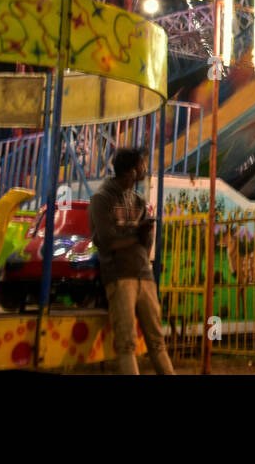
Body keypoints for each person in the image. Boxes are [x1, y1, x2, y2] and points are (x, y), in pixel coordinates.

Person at [89, 147, 175, 375]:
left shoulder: (138, 199)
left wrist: (145, 233)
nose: (145, 169)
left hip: (142, 274)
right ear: (130, 170)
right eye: (142, 164)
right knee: (127, 344)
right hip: (119, 276)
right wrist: (137, 234)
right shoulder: (102, 198)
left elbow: (143, 243)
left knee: (157, 342)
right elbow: (106, 242)